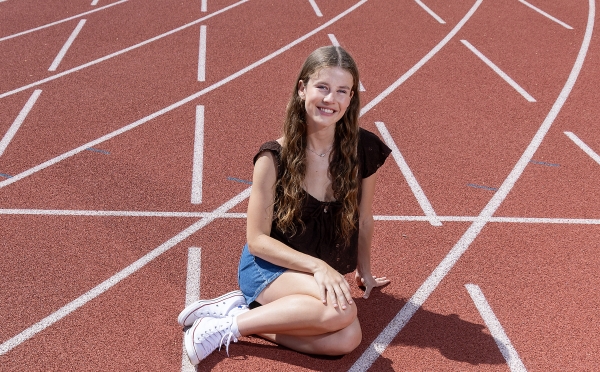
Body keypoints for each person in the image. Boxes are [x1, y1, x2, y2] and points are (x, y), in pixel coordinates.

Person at [178, 45, 392, 365]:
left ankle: (247, 313)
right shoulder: (272, 157)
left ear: (350, 99)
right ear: (302, 89)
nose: (330, 99)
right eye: (322, 87)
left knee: (346, 338)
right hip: (268, 266)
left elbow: (364, 216)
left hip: (309, 272)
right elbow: (257, 240)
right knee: (342, 310)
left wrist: (366, 271)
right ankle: (227, 326)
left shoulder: (365, 149)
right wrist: (319, 267)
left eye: (341, 91)